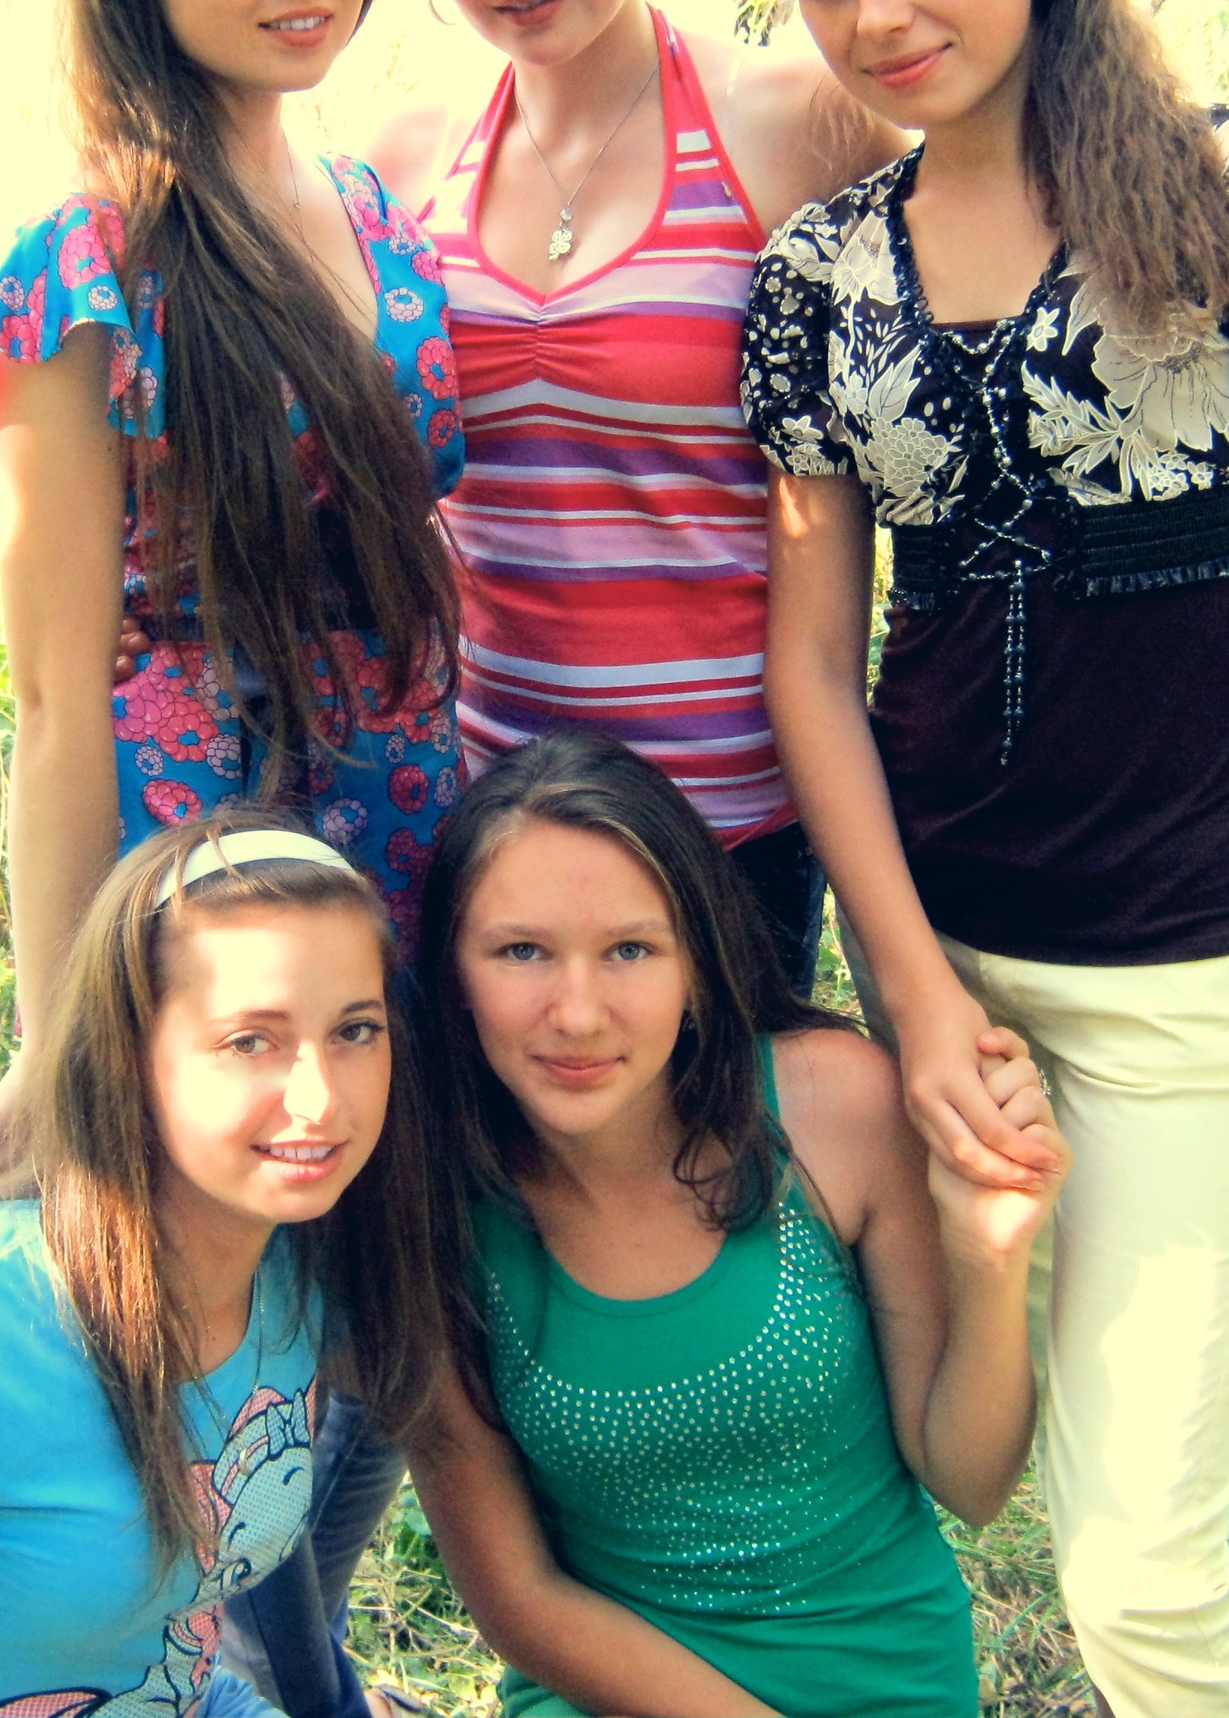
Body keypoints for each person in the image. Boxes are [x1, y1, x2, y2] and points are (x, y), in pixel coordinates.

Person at [741, 0, 1229, 1718]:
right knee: (965, 1469)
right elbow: (814, 667)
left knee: (1139, 1559)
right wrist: (908, 990)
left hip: (1182, 968)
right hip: (943, 950)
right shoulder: (818, 279)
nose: (877, 12)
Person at [0, 0, 453, 1718]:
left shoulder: (368, 209)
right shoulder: (86, 269)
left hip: (397, 849)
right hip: (205, 890)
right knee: (231, 1352)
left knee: (385, 1313)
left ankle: (291, 1669)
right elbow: (55, 696)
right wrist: (52, 1038)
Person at [368, 0, 906, 993]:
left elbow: (995, 325)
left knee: (741, 1131)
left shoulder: (793, 123)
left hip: (733, 830)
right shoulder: (402, 165)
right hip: (495, 835)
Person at [0, 816, 443, 1718]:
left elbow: (167, 1658)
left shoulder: (294, 1278)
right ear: (128, 1052)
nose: (319, 1098)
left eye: (355, 1030)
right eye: (250, 1041)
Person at [405, 729, 1069, 1718]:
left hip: (878, 1680)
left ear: (697, 964)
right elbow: (519, 1598)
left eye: (630, 949)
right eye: (521, 951)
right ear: (453, 971)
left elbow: (970, 1480)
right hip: (609, 1688)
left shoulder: (831, 1107)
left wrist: (988, 1254)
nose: (576, 1013)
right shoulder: (428, 1208)